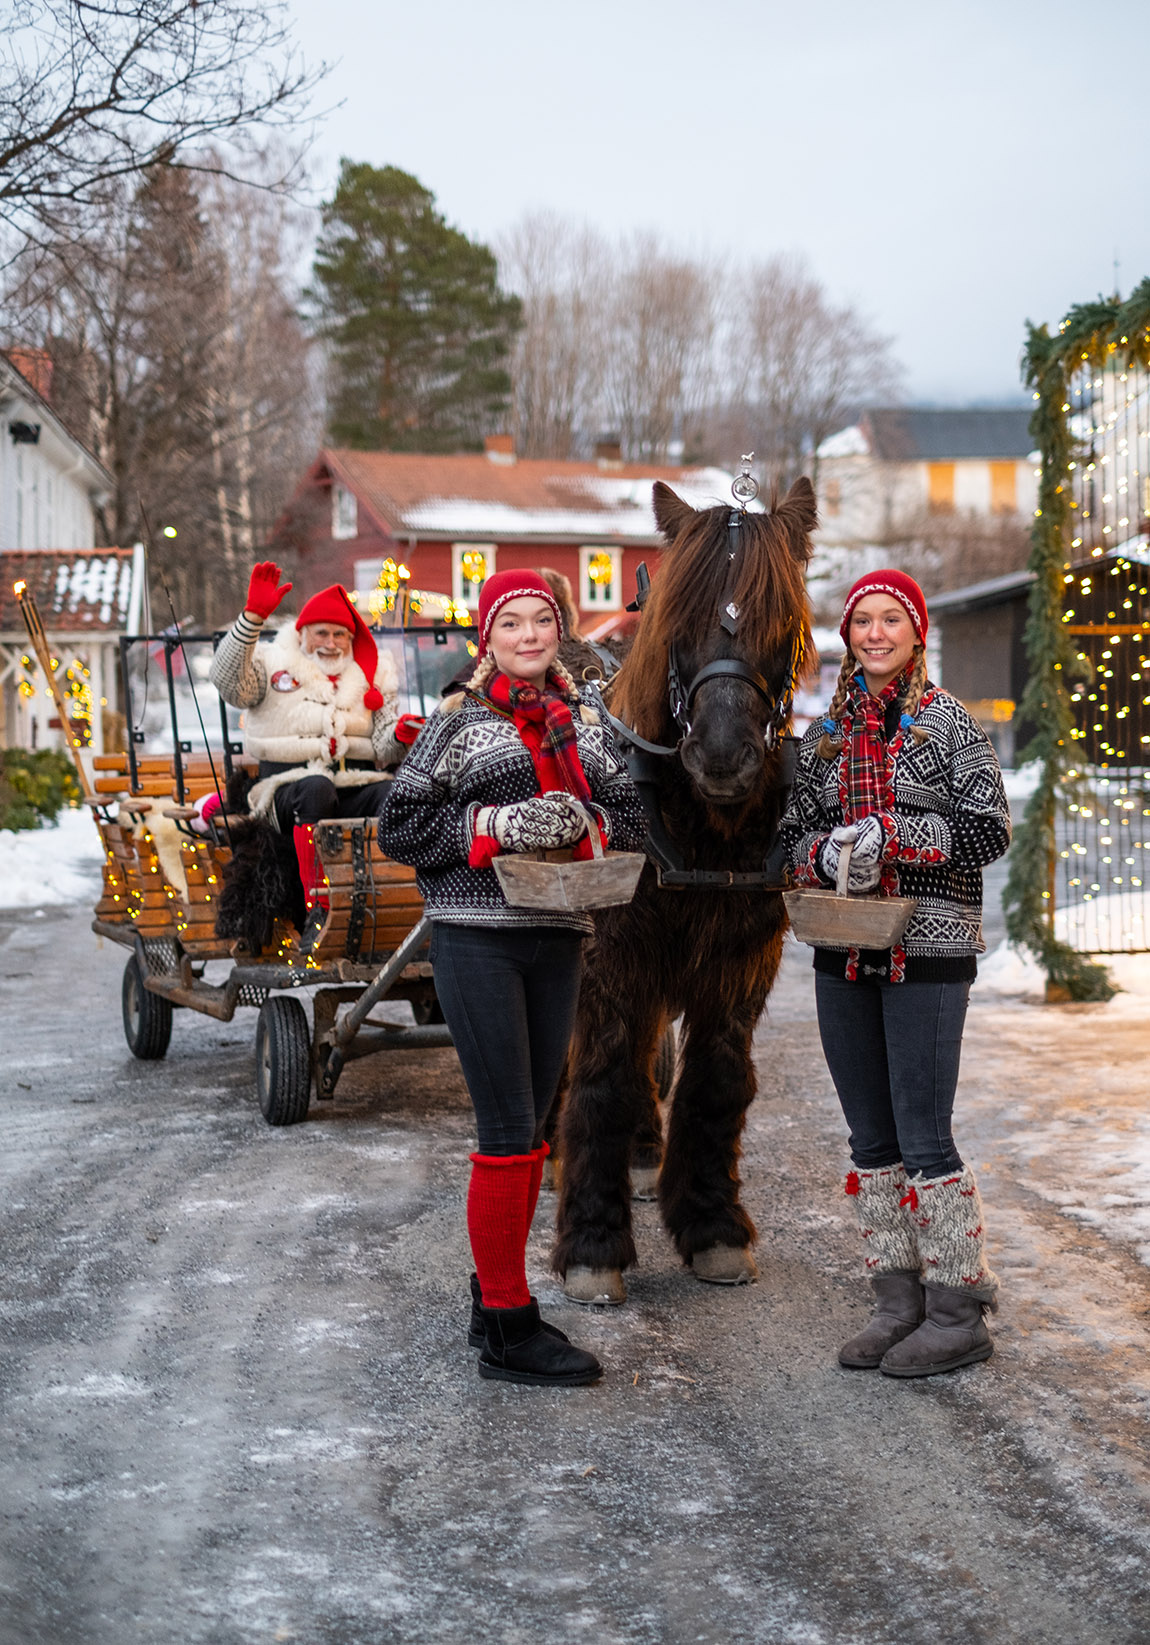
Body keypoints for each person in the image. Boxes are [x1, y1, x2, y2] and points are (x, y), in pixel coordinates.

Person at [378, 569, 645, 1387]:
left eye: (542, 621)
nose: (529, 636)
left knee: (532, 1126)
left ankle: (493, 1295)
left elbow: (632, 813)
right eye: (512, 623)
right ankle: (508, 1327)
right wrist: (496, 823)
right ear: (487, 638)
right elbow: (401, 825)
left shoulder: (589, 723)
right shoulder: (458, 722)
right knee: (505, 1132)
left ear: (559, 630)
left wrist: (586, 817)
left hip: (559, 931)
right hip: (477, 937)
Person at [781, 569, 1011, 1378]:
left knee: (923, 1132)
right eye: (862, 621)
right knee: (870, 1138)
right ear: (848, 636)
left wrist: (896, 834)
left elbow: (988, 831)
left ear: (915, 631)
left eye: (891, 619)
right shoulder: (825, 738)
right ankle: (897, 1300)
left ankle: (957, 1305)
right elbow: (788, 841)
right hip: (843, 949)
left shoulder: (950, 725)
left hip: (930, 950)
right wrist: (826, 851)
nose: (875, 633)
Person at [210, 561, 421, 937]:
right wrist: (251, 619)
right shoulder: (272, 663)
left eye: (340, 634)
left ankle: (390, 898)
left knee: (391, 793)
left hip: (355, 777)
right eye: (322, 632)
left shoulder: (372, 674)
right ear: (303, 634)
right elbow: (229, 683)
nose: (331, 642)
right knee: (316, 789)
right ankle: (317, 906)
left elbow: (383, 741)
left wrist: (402, 735)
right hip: (284, 786)